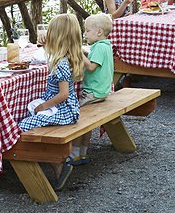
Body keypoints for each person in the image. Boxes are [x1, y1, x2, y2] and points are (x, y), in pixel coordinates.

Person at [17, 13, 83, 190]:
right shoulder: (66, 56)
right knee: (30, 119)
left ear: (57, 36)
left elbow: (63, 94)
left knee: (22, 126)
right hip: (65, 109)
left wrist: (43, 106)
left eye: (50, 31)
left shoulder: (61, 63)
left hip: (63, 110)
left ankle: (57, 163)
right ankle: (54, 163)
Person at [69, 13, 114, 166]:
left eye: (87, 31)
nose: (85, 34)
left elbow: (91, 67)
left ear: (99, 32)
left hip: (92, 92)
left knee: (78, 121)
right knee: (87, 124)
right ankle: (83, 152)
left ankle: (74, 154)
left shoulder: (99, 47)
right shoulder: (105, 45)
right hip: (102, 91)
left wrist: (78, 52)